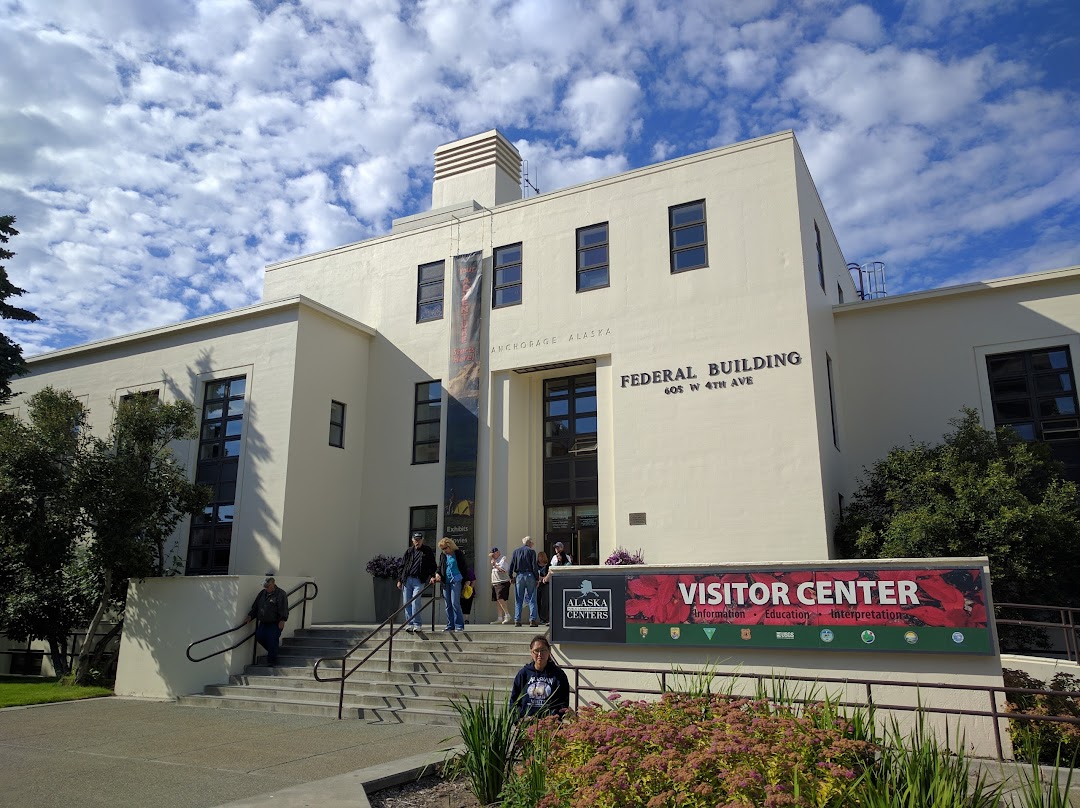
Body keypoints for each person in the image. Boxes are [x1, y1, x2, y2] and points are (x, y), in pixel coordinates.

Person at [510, 635, 570, 719]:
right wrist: (519, 719)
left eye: (543, 650)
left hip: (549, 726)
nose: (539, 654)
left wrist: (553, 719)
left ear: (549, 651)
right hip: (526, 724)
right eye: (536, 651)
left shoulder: (558, 675)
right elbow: (514, 700)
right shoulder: (523, 674)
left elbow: (563, 702)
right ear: (531, 652)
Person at [243, 576, 289, 664]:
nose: (266, 588)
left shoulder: (280, 594)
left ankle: (271, 661)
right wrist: (250, 616)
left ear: (273, 584)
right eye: (265, 586)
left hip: (275, 623)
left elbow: (284, 608)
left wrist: (282, 620)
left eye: (267, 586)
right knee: (259, 637)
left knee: (272, 640)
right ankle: (274, 652)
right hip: (263, 622)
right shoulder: (262, 593)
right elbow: (256, 607)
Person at [397, 532, 436, 632]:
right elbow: (402, 566)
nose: (417, 541)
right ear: (412, 540)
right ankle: (409, 624)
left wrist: (432, 576)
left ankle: (417, 624)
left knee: (415, 602)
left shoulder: (427, 550)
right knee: (406, 603)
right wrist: (400, 580)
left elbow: (432, 565)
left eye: (419, 539)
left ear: (422, 540)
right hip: (407, 579)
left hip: (419, 580)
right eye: (416, 539)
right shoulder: (409, 551)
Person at [434, 537, 467, 632]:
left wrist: (466, 580)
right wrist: (437, 573)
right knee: (447, 604)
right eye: (442, 549)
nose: (444, 550)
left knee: (454, 603)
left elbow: (464, 567)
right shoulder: (443, 555)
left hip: (456, 580)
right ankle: (450, 625)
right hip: (445, 581)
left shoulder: (458, 554)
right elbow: (439, 567)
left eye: (445, 548)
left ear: (450, 546)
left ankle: (459, 625)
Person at [508, 535, 539, 627]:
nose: (532, 545)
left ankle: (517, 620)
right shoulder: (531, 552)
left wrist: (511, 577)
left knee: (518, 599)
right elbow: (534, 566)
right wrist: (537, 578)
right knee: (532, 598)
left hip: (519, 576)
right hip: (530, 575)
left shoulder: (516, 552)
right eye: (532, 543)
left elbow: (511, 565)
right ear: (529, 543)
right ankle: (532, 620)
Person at [489, 547, 512, 624]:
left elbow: (503, 570)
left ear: (497, 552)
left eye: (493, 554)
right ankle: (499, 617)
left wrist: (495, 565)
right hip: (495, 582)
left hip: (502, 582)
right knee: (498, 600)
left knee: (501, 599)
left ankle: (507, 615)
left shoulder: (503, 559)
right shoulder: (494, 560)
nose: (492, 556)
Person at [536, 551, 551, 626]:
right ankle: (540, 618)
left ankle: (545, 618)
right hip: (538, 584)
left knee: (545, 601)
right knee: (538, 601)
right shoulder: (535, 565)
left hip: (546, 584)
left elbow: (550, 573)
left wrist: (544, 578)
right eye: (539, 557)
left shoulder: (548, 565)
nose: (540, 558)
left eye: (541, 557)